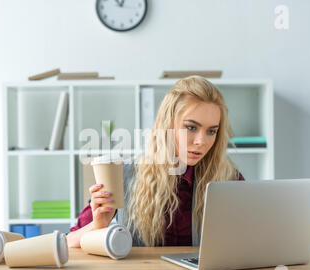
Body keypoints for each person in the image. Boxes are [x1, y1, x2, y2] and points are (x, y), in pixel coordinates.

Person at [66, 75, 244, 247]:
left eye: (211, 131)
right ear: (168, 125)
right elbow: (68, 241)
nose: (201, 142)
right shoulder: (123, 175)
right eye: (191, 127)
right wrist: (98, 225)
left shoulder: (229, 179)